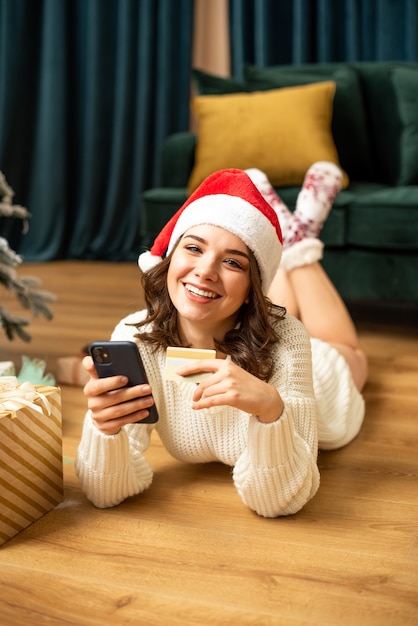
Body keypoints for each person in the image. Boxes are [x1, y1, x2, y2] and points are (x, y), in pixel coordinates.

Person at [75, 164, 368, 517]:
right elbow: (105, 493)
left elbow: (281, 501)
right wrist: (104, 430)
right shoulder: (136, 337)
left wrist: (272, 412)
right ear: (169, 260)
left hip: (320, 380)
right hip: (256, 325)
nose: (206, 271)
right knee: (279, 314)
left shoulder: (288, 342)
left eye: (232, 262)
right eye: (194, 249)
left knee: (352, 358)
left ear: (251, 290)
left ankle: (299, 240)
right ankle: (288, 235)